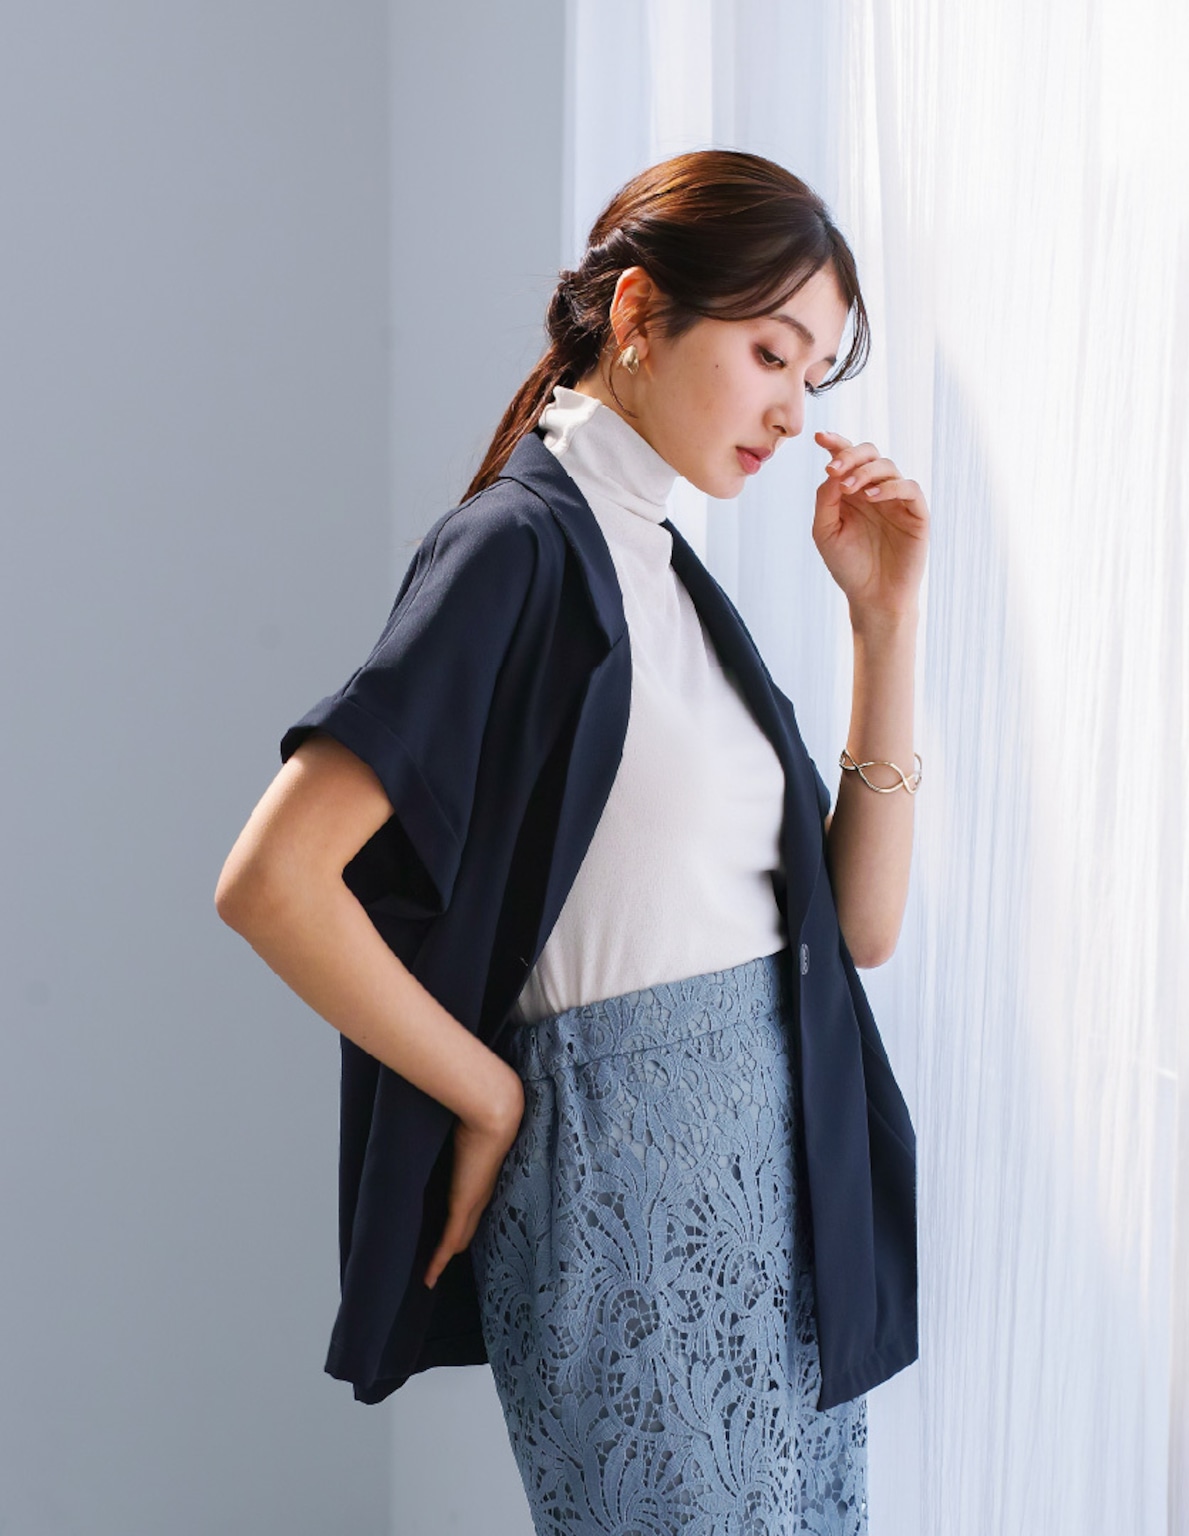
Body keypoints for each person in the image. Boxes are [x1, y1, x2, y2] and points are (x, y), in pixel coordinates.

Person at [216, 148, 928, 1534]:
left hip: (786, 1193)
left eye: (813, 373)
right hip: (630, 1193)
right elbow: (274, 882)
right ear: (641, 312)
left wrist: (884, 625)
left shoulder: (663, 569)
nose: (793, 410)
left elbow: (860, 928)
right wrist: (489, 1094)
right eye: (770, 352)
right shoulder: (518, 548)